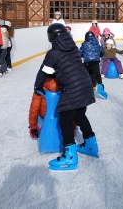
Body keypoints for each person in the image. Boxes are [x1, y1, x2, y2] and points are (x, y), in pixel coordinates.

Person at [33, 23, 98, 172]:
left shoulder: (53, 53)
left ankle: (69, 158)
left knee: (65, 119)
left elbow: (44, 72)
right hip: (85, 84)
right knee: (80, 115)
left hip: (73, 88)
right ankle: (91, 146)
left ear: (52, 37)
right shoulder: (73, 47)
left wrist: (37, 86)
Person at [79, 31, 107, 99]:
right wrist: (100, 55)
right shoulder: (97, 43)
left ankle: (86, 88)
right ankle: (100, 87)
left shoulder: (84, 43)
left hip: (87, 61)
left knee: (86, 74)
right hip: (95, 61)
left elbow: (80, 52)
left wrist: (83, 56)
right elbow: (102, 51)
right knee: (97, 74)